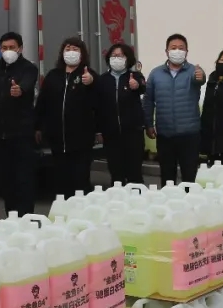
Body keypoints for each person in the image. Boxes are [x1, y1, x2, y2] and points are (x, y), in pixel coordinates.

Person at [0, 32, 40, 215]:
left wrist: (19, 90)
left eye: (12, 47)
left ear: (20, 49)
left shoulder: (28, 68)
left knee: (24, 180)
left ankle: (26, 218)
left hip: (21, 135)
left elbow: (27, 84)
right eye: (4, 48)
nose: (8, 51)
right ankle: (11, 217)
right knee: (5, 181)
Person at [35, 37, 98, 197]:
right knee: (61, 183)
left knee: (80, 181)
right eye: (68, 49)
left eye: (75, 49)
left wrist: (91, 83)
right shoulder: (53, 76)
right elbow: (42, 103)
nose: (71, 52)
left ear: (82, 54)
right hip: (57, 141)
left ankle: (82, 209)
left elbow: (99, 103)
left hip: (81, 141)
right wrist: (38, 126)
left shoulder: (89, 75)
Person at [143, 34, 205, 185]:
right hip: (165, 134)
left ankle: (190, 199)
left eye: (181, 48)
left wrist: (201, 76)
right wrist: (149, 124)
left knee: (189, 177)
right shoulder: (156, 74)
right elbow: (148, 100)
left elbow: (200, 79)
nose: (177, 51)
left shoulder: (194, 71)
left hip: (189, 134)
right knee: (167, 176)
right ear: (166, 51)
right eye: (173, 48)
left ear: (187, 52)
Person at [95, 43, 147, 185]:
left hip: (133, 133)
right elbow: (98, 107)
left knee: (134, 173)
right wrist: (99, 131)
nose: (117, 58)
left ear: (127, 58)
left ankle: (136, 196)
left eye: (121, 55)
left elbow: (143, 87)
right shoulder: (103, 80)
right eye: (114, 55)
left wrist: (137, 85)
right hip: (111, 134)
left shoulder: (135, 76)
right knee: (116, 173)